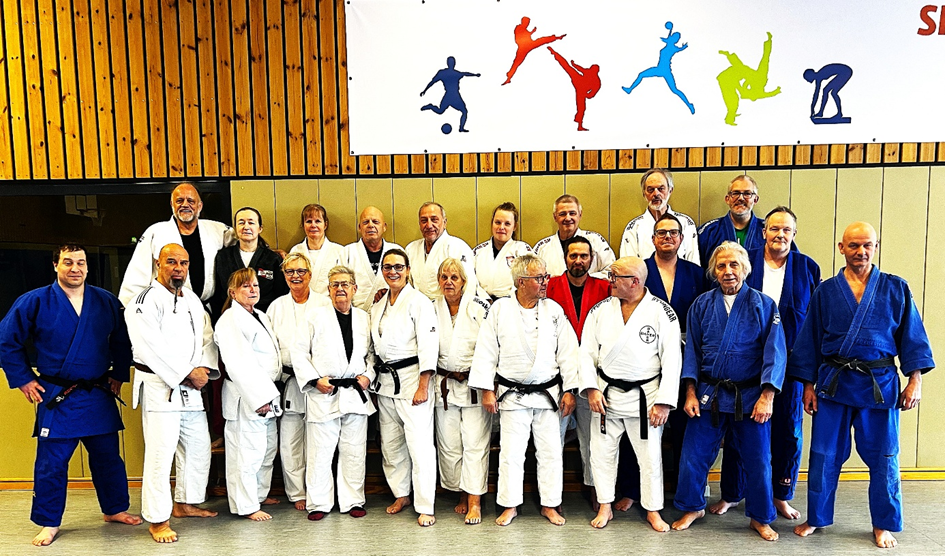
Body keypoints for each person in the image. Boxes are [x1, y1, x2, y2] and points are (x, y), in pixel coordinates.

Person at [791, 222, 934, 549]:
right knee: (824, 455)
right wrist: (808, 386)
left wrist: (915, 380)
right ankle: (817, 517)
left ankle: (883, 523)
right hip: (833, 385)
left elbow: (912, 337)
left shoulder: (896, 288)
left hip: (879, 385)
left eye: (867, 245)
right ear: (841, 248)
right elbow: (810, 340)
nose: (861, 251)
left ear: (876, 247)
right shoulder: (826, 291)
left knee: (885, 456)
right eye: (854, 245)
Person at [0, 244, 142, 546]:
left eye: (81, 262)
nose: (75, 268)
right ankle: (49, 521)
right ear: (55, 265)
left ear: (87, 267)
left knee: (108, 457)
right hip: (58, 394)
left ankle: (114, 508)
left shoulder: (105, 300)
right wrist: (24, 379)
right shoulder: (34, 301)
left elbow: (122, 341)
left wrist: (119, 374)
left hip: (97, 393)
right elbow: (7, 341)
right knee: (51, 463)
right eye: (68, 262)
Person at [710, 207, 821, 520]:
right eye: (774, 229)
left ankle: (780, 494)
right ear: (763, 232)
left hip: (792, 365)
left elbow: (815, 322)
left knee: (789, 430)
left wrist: (811, 375)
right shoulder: (747, 261)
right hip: (747, 363)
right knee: (740, 429)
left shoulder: (807, 267)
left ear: (794, 234)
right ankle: (732, 493)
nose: (780, 235)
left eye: (786, 230)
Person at [672, 241, 786, 541]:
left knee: (758, 459)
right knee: (693, 455)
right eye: (721, 266)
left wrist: (767, 396)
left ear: (745, 269)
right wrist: (690, 392)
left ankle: (760, 517)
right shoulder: (701, 305)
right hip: (708, 394)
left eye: (734, 264)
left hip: (749, 397)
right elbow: (692, 352)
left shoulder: (764, 305)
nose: (728, 271)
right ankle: (692, 507)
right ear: (713, 271)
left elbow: (775, 354)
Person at [469, 254, 580, 527]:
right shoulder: (499, 310)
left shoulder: (553, 310)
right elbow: (486, 350)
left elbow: (568, 352)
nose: (545, 282)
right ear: (521, 281)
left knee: (550, 452)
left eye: (545, 276)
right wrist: (487, 390)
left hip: (549, 395)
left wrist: (569, 390)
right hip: (512, 395)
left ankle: (550, 504)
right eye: (539, 278)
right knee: (511, 453)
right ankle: (510, 505)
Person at [125, 243, 220, 543]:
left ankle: (184, 503)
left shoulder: (191, 298)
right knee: (161, 453)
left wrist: (203, 369)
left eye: (183, 263)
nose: (178, 268)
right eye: (171, 262)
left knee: (198, 447)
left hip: (191, 388)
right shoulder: (144, 301)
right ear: (158, 264)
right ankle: (157, 519)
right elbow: (149, 347)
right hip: (159, 386)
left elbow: (206, 338)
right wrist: (187, 373)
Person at [580, 257, 682, 530]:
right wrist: (591, 389)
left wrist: (664, 402)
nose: (610, 281)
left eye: (615, 277)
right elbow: (586, 353)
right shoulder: (600, 310)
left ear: (634, 281)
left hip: (645, 398)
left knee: (650, 457)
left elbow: (672, 360)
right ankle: (605, 505)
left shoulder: (662, 312)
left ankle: (653, 509)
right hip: (606, 395)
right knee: (601, 453)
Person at [616, 213, 708, 511]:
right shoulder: (639, 270)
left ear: (682, 239)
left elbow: (704, 316)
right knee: (635, 425)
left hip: (687, 355)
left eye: (673, 233)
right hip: (643, 357)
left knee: (684, 426)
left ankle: (685, 490)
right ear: (653, 239)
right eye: (661, 233)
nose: (667, 237)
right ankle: (631, 489)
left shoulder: (696, 274)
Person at [292, 265, 376, 521]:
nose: (340, 289)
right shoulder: (314, 317)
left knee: (354, 450)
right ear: (328, 290)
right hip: (324, 392)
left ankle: (353, 500)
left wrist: (368, 375)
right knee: (320, 451)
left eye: (345, 284)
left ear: (354, 288)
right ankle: (319, 502)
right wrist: (314, 380)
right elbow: (299, 352)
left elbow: (372, 354)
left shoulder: (363, 318)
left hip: (355, 392)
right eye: (335, 284)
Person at [370, 249, 439, 526]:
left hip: (412, 381)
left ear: (408, 270)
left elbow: (429, 346)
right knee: (391, 444)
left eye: (399, 267)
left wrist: (424, 385)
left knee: (419, 446)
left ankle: (426, 505)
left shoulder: (419, 302)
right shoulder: (378, 304)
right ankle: (401, 494)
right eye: (388, 267)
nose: (393, 272)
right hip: (386, 384)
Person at [545, 235, 611, 507]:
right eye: (573, 256)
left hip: (593, 374)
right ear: (565, 258)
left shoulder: (605, 288)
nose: (579, 261)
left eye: (584, 256)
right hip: (558, 373)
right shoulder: (550, 286)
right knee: (553, 437)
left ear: (592, 259)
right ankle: (553, 494)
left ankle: (597, 489)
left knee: (593, 437)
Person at [214, 268, 283, 521]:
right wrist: (259, 398)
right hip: (248, 396)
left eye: (255, 285)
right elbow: (238, 363)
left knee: (266, 450)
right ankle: (245, 505)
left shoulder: (260, 315)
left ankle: (258, 495)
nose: (252, 289)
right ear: (232, 293)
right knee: (246, 452)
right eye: (245, 286)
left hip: (268, 391)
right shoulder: (230, 319)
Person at [266, 253, 331, 511]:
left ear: (310, 274)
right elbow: (270, 346)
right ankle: (297, 493)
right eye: (290, 271)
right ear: (284, 275)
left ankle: (319, 491)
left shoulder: (324, 304)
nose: (296, 276)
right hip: (289, 380)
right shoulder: (276, 307)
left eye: (301, 271)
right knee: (290, 441)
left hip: (319, 381)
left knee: (320, 442)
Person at [432, 258, 492, 524]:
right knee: (449, 444)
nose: (449, 282)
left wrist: (488, 386)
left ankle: (475, 500)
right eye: (444, 277)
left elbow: (491, 347)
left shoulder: (479, 307)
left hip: (473, 385)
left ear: (464, 282)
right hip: (443, 385)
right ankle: (461, 492)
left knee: (475, 444)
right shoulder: (431, 308)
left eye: (454, 277)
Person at [119, 183, 232, 307]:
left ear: (199, 206)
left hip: (206, 307)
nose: (185, 205)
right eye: (179, 201)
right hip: (166, 307)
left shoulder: (216, 229)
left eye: (190, 201)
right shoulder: (155, 232)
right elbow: (137, 274)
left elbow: (242, 241)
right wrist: (130, 307)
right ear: (172, 204)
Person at [697, 175, 795, 264]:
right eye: (735, 193)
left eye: (747, 194)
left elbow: (792, 262)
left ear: (755, 199)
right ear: (727, 199)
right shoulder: (709, 231)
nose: (740, 198)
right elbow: (696, 269)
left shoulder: (770, 231)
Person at [210, 206, 287, 318]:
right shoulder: (223, 257)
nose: (246, 227)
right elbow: (218, 294)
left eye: (251, 223)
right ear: (235, 228)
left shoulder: (273, 259)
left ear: (260, 228)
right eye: (241, 223)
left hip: (265, 317)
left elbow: (281, 295)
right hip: (232, 318)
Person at [620, 168, 699, 265]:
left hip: (681, 274)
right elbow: (627, 267)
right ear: (644, 194)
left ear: (670, 190)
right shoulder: (634, 227)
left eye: (661, 189)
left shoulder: (686, 223)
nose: (656, 194)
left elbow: (693, 264)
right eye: (650, 190)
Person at [405, 202, 477, 300]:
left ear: (444, 222)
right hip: (417, 305)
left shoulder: (457, 247)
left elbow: (469, 285)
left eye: (434, 220)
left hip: (446, 306)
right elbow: (406, 283)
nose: (429, 225)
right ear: (419, 224)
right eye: (424, 220)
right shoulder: (411, 249)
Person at [621, 22, 695, 114]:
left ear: (675, 40)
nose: (672, 37)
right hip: (659, 69)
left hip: (666, 71)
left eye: (675, 37)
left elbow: (676, 46)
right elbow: (668, 38)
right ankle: (630, 89)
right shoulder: (669, 43)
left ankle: (689, 104)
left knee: (674, 90)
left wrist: (683, 47)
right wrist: (670, 29)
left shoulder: (673, 47)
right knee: (641, 75)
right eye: (673, 36)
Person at [534, 194, 614, 278]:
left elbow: (611, 271)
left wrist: (583, 280)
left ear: (580, 215)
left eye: (572, 213)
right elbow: (533, 277)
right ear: (555, 217)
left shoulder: (596, 241)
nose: (568, 218)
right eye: (562, 214)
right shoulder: (542, 248)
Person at [344, 206, 403, 311]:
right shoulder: (347, 252)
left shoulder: (396, 251)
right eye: (365, 222)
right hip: (356, 315)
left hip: (391, 313)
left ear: (384, 227)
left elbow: (406, 285)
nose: (370, 225)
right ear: (359, 227)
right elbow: (339, 286)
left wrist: (390, 294)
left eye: (375, 222)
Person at [473, 202, 532, 301]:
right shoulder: (478, 251)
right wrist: (484, 299)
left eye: (507, 224)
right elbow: (470, 279)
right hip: (482, 302)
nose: (501, 227)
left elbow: (528, 279)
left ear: (514, 226)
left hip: (512, 302)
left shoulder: (522, 250)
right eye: (497, 222)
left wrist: (507, 300)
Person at [289, 203, 346, 295]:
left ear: (325, 225)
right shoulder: (296, 251)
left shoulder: (339, 251)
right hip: (302, 301)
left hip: (329, 302)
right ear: (303, 225)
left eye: (318, 221)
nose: (313, 225)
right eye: (309, 221)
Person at [420, 57, 480, 133]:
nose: (452, 64)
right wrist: (425, 90)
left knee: (463, 111)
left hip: (454, 95)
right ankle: (430, 106)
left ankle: (461, 128)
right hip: (450, 95)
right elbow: (432, 82)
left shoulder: (453, 73)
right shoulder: (444, 73)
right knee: (442, 111)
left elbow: (465, 73)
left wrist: (475, 75)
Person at [547, 46, 600, 131]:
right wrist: (573, 64)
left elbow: (594, 92)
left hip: (581, 89)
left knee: (581, 108)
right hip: (578, 81)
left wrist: (587, 95)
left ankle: (579, 125)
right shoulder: (589, 72)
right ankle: (554, 53)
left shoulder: (596, 80)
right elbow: (580, 69)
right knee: (567, 66)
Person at [502, 16, 565, 85]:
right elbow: (521, 36)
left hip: (528, 44)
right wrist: (531, 32)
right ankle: (509, 78)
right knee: (516, 63)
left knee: (542, 40)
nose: (527, 24)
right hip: (523, 47)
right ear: (523, 22)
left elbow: (526, 35)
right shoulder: (518, 27)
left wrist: (532, 32)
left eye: (528, 23)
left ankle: (557, 37)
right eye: (527, 23)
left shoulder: (524, 29)